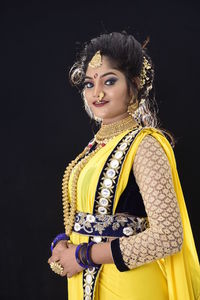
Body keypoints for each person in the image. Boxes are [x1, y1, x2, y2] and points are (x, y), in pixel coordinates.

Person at [48, 31, 200, 300]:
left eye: (109, 81)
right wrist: (64, 245)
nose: (97, 93)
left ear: (134, 85)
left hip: (131, 285)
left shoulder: (145, 145)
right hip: (86, 280)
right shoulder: (94, 148)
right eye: (88, 84)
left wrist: (84, 255)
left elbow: (168, 237)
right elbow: (88, 218)